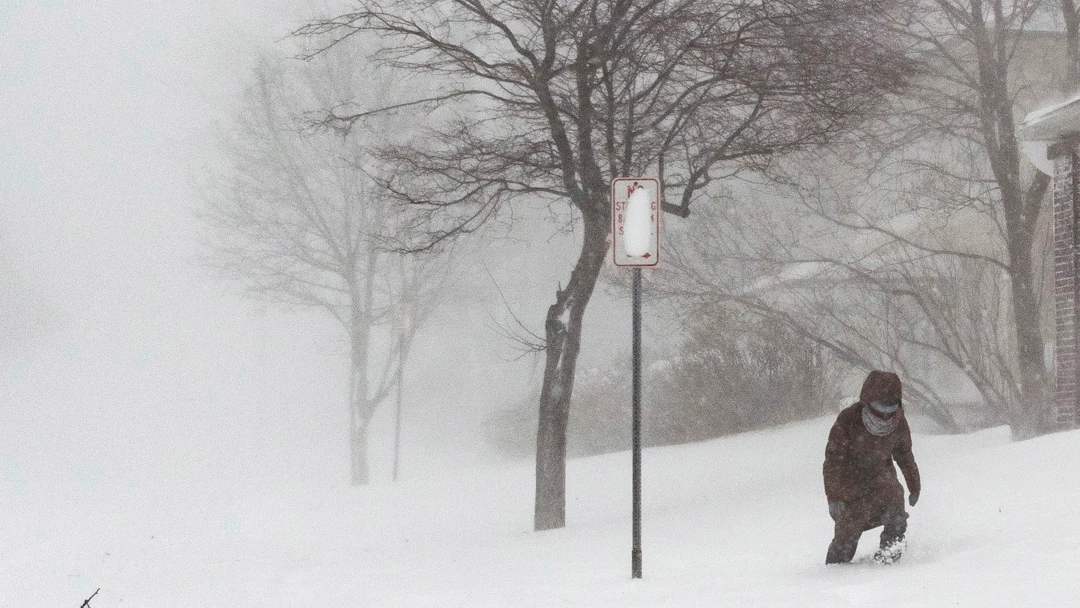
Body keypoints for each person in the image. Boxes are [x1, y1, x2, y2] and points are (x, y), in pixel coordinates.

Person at [823, 370, 920, 564]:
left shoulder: (898, 421)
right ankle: (834, 573)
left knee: (896, 516)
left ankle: (890, 557)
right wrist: (833, 497)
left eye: (890, 409)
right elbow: (833, 461)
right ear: (867, 402)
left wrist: (914, 484)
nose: (885, 415)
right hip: (851, 486)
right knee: (847, 535)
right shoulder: (848, 420)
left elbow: (904, 454)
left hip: (883, 480)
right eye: (879, 408)